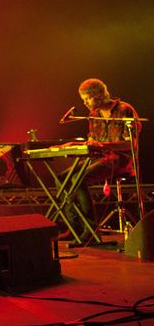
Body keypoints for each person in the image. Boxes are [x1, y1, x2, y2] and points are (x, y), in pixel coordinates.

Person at [63, 78, 140, 242]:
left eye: (87, 98)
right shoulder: (93, 115)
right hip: (99, 158)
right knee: (63, 178)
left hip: (120, 160)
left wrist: (104, 145)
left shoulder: (124, 110)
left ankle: (90, 229)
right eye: (83, 99)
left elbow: (130, 144)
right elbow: (93, 141)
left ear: (99, 95)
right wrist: (80, 144)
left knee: (78, 179)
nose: (85, 103)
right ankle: (75, 227)